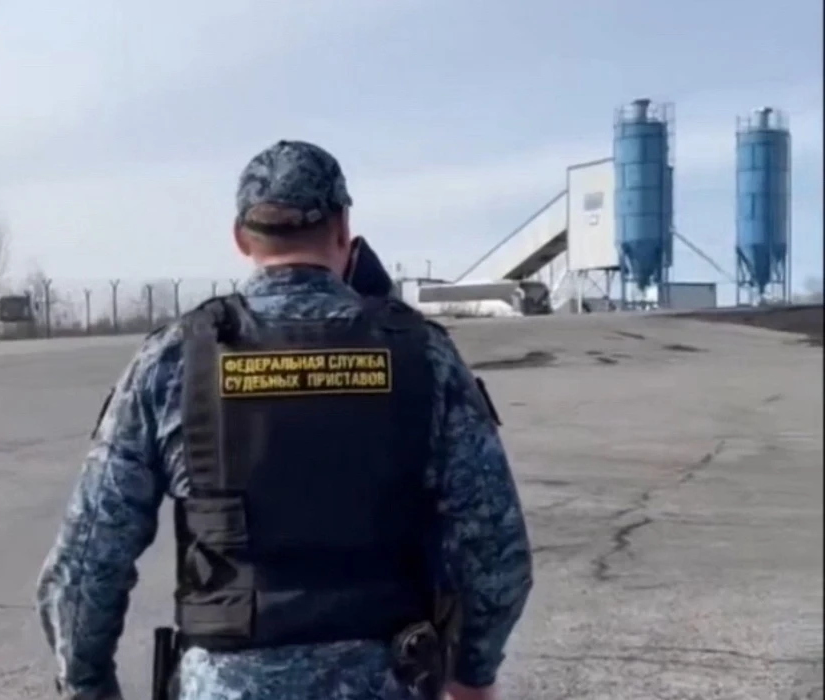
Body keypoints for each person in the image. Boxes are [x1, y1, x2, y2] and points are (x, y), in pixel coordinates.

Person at [36, 140, 533, 700]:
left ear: (241, 237)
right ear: (342, 229)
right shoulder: (423, 355)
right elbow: (496, 549)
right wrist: (472, 675)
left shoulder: (175, 360)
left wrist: (87, 686)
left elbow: (86, 561)